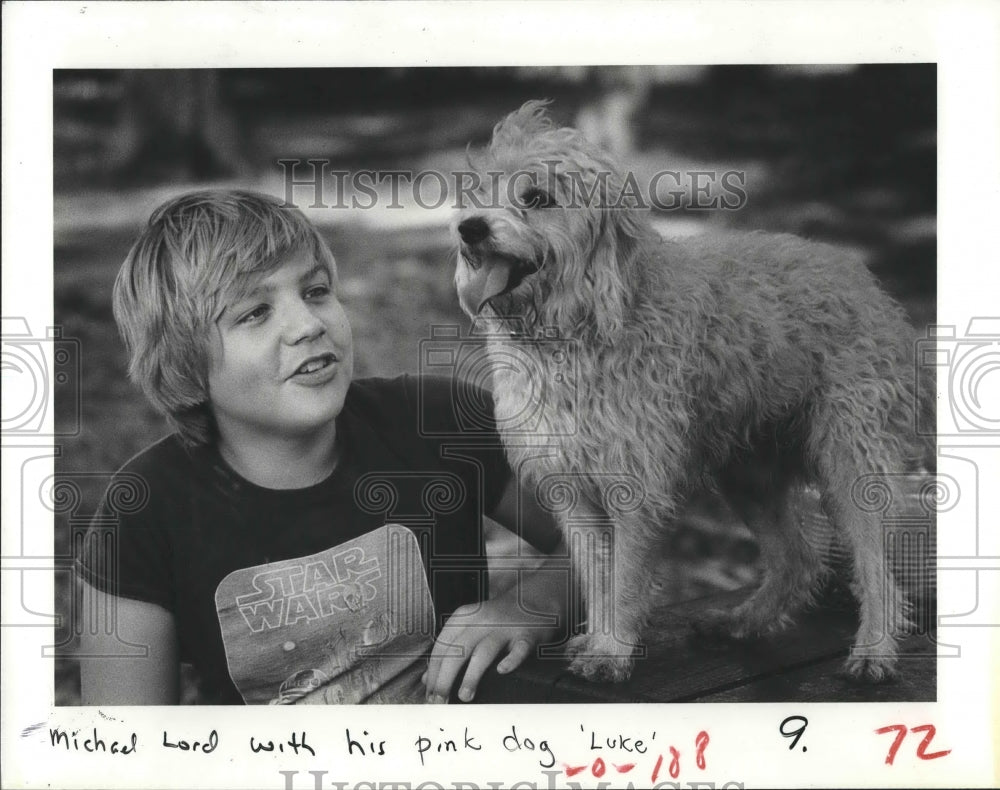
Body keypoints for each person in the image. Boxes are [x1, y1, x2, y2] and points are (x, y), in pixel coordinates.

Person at [77, 189, 567, 705]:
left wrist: (535, 601)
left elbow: (611, 537)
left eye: (314, 291)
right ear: (184, 364)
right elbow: (125, 747)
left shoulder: (439, 423)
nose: (309, 325)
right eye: (254, 313)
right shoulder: (145, 510)